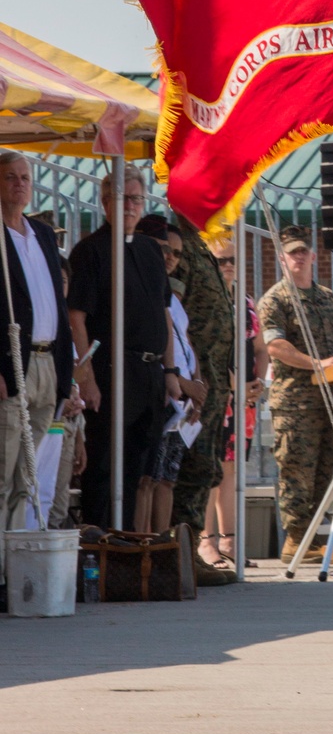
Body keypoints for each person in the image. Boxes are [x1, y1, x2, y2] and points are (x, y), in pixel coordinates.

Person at [67, 169, 180, 531]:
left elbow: (164, 314)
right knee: (104, 468)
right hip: (111, 371)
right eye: (122, 198)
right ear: (105, 202)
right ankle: (100, 554)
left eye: (136, 199)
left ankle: (128, 552)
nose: (130, 206)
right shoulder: (90, 251)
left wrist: (171, 372)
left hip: (149, 374)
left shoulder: (150, 250)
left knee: (139, 469)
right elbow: (76, 317)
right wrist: (86, 376)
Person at [0, 151, 75, 592]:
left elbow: (58, 303)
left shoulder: (42, 234)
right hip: (14, 364)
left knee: (28, 477)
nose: (19, 184)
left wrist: (68, 371)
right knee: (3, 470)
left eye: (25, 177)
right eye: (10, 177)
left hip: (49, 363)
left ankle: (15, 572)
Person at [257, 226, 333, 566]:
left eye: (303, 252)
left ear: (313, 257)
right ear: (282, 259)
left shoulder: (327, 298)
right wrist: (317, 364)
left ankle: (312, 536)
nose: (298, 257)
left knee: (326, 466)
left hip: (331, 398)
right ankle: (296, 539)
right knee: (297, 468)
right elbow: (275, 346)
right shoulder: (275, 300)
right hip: (295, 401)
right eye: (292, 253)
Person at [169, 214, 237, 586]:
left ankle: (188, 551)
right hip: (194, 380)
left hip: (211, 381)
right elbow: (175, 313)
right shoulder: (182, 248)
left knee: (205, 466)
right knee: (192, 468)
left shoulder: (201, 249)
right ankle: (180, 554)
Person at [132, 215, 208, 534]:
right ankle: (142, 546)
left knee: (167, 480)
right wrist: (183, 383)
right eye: (165, 249)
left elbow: (186, 342)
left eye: (176, 253)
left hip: (184, 401)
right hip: (166, 392)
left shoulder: (174, 298)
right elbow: (160, 345)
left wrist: (198, 386)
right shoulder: (147, 289)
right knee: (147, 479)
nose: (170, 258)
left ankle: (162, 547)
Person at [201, 239, 267, 569]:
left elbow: (260, 348)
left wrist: (259, 382)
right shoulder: (206, 301)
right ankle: (206, 542)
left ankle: (229, 541)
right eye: (221, 260)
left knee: (231, 469)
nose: (227, 265)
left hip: (245, 400)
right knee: (212, 469)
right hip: (217, 397)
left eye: (232, 260)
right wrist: (230, 384)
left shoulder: (245, 303)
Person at [49, 256, 87, 530]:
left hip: (69, 425)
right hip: (47, 423)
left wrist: (80, 438)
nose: (59, 284)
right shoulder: (41, 321)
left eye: (63, 280)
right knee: (42, 495)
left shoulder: (66, 322)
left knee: (60, 499)